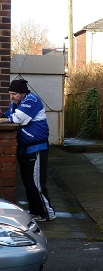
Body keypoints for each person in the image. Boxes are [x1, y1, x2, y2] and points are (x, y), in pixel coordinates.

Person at [5, 78, 54, 221]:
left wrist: (10, 117)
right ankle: (36, 212)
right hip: (26, 149)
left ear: (22, 93)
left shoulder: (32, 100)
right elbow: (8, 116)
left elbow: (17, 119)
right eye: (10, 94)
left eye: (14, 94)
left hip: (36, 148)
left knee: (36, 183)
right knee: (28, 183)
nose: (12, 97)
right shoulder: (17, 103)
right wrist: (9, 116)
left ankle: (47, 213)